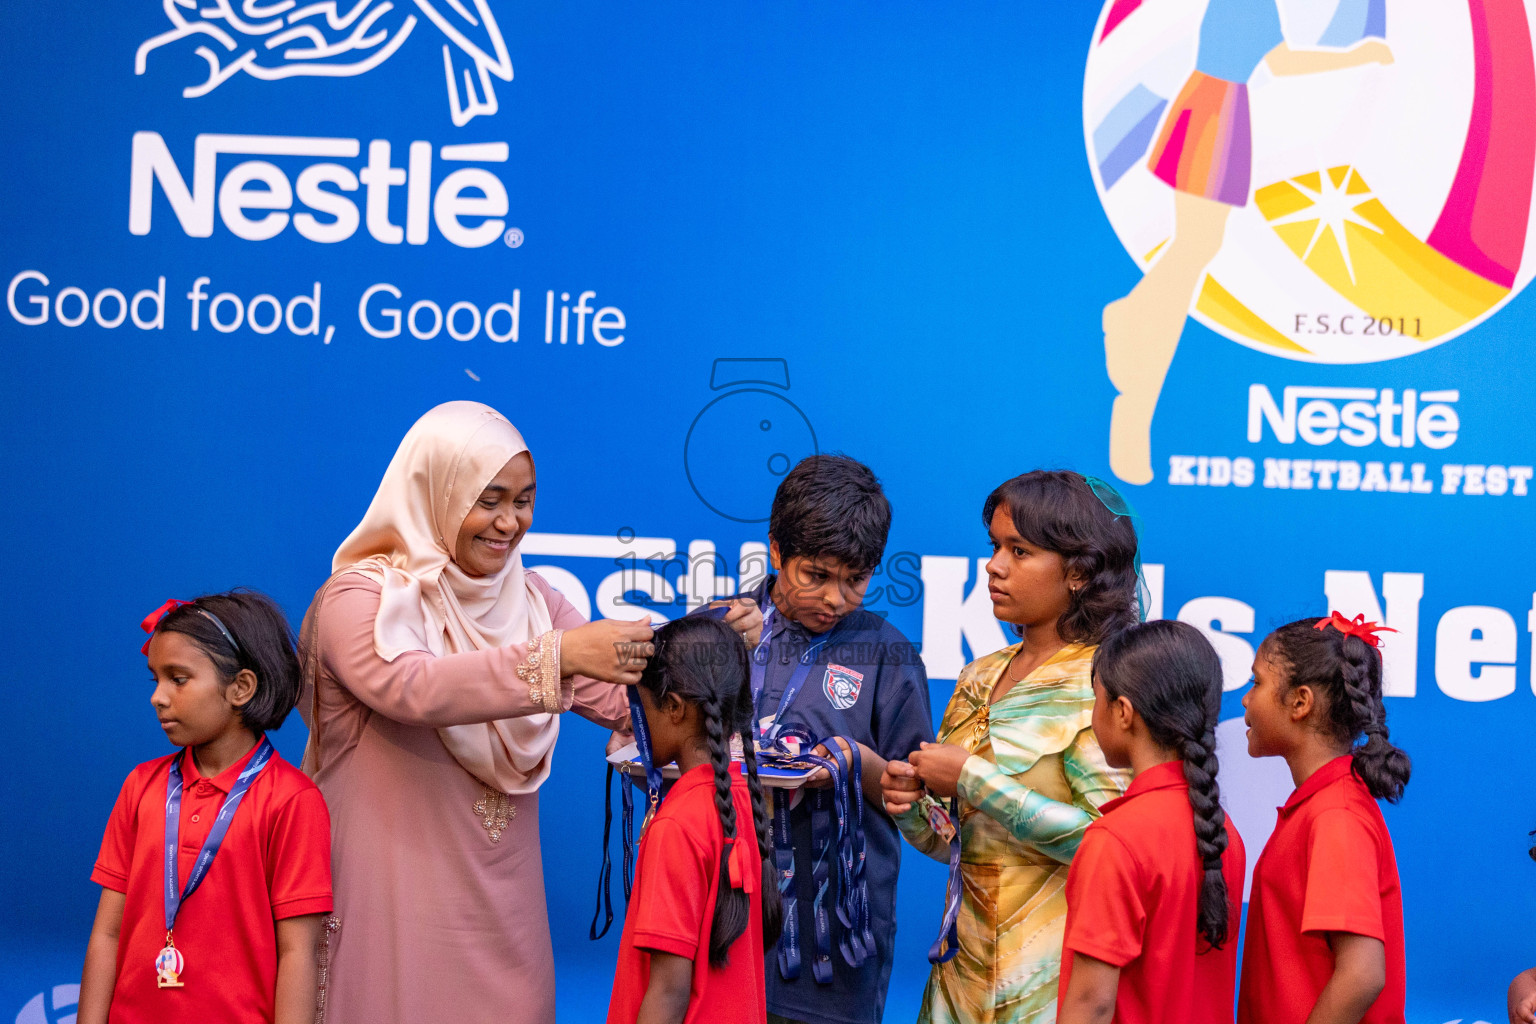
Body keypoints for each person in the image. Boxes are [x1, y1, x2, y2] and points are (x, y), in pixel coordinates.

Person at [298, 401, 758, 1024]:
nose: (509, 522)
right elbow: (410, 686)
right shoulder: (359, 599)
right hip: (391, 908)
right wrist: (562, 654)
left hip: (502, 917)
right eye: (488, 499)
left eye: (523, 500)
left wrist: (707, 644)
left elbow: (623, 694)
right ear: (434, 489)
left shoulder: (533, 600)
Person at [881, 470, 1138, 1024]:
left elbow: (1108, 847)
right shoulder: (979, 675)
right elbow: (965, 844)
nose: (994, 566)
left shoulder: (1108, 682)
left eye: (1019, 551)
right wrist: (911, 808)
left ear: (1079, 571)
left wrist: (974, 778)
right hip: (957, 982)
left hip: (1051, 991)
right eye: (995, 547)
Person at [1101, 0, 1393, 484]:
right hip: (1214, 114)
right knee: (1197, 247)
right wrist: (1359, 54)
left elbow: (1273, 61)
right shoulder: (1252, 5)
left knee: (1197, 246)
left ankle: (1132, 319)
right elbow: (1284, 63)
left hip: (1215, 109)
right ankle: (1134, 402)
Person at [732, 454, 933, 1024]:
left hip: (836, 936)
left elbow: (925, 806)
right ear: (776, 551)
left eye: (855, 580)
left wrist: (858, 763)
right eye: (815, 575)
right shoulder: (722, 629)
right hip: (726, 914)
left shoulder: (889, 657)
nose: (836, 599)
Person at [79, 592, 332, 1024]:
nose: (157, 697)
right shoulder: (140, 786)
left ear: (241, 688)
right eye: (155, 679)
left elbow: (297, 953)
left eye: (178, 679)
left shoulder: (293, 800)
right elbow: (107, 933)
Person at [1056, 619, 1245, 1024]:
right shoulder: (1223, 832)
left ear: (1123, 712)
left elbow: (1091, 1004)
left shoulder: (1116, 840)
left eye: (1096, 698)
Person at [1237, 613, 1412, 1024]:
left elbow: (1363, 974)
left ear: (1300, 701)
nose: (1246, 699)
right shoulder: (1320, 806)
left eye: (1256, 682)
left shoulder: (1336, 814)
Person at [606, 616, 782, 1024]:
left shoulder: (677, 826)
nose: (635, 722)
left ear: (674, 708)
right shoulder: (743, 801)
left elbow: (669, 992)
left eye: (640, 705)